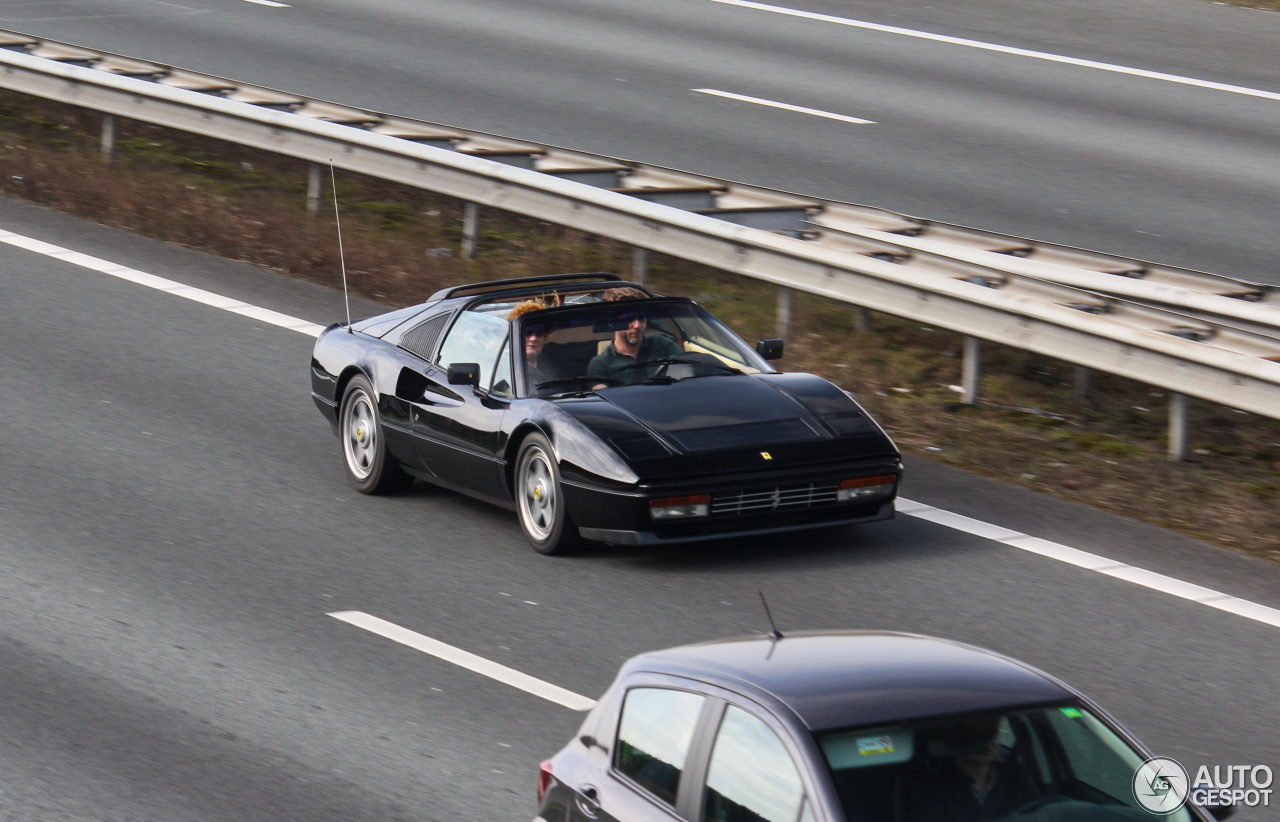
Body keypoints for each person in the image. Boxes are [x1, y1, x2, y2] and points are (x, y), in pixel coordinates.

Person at [903, 716, 1040, 822]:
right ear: (956, 739)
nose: (989, 742)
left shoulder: (1016, 777)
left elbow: (1041, 814)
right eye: (980, 735)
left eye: (994, 734)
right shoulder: (932, 788)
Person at [586, 288, 682, 387]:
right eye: (630, 319)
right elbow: (602, 398)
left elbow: (686, 373)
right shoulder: (600, 364)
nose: (637, 325)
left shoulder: (663, 344)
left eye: (641, 319)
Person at [508, 298, 562, 390]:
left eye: (539, 333)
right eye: (528, 333)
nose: (533, 338)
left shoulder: (552, 363)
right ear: (515, 335)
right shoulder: (508, 369)